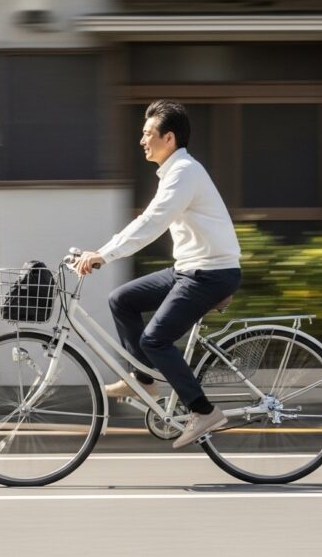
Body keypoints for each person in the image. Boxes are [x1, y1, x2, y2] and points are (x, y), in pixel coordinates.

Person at [74, 99, 242, 449]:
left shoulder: (185, 173)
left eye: (148, 134)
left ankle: (204, 411)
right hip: (189, 269)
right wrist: (103, 252)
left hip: (210, 273)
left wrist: (103, 255)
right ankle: (144, 380)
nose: (142, 140)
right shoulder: (175, 171)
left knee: (155, 339)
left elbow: (151, 222)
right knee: (122, 299)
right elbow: (149, 220)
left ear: (169, 137)